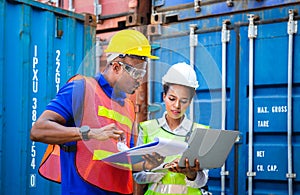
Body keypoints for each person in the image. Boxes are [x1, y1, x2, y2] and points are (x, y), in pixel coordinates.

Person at [30, 29, 163, 195]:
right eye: (136, 73)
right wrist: (90, 133)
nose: (139, 80)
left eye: (142, 73)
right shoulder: (81, 89)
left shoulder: (129, 107)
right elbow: (38, 130)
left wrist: (146, 164)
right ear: (116, 67)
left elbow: (125, 159)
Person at [133, 62, 209, 195]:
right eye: (172, 99)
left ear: (190, 101)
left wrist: (191, 174)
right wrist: (158, 169)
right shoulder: (147, 129)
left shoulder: (200, 132)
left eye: (184, 100)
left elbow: (202, 181)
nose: (177, 106)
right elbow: (138, 176)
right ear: (164, 96)